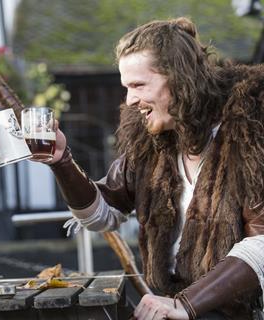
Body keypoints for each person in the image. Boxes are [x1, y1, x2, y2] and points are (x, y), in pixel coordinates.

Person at [42, 18, 264, 319]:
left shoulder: (250, 129)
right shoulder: (148, 142)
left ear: (179, 79)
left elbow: (262, 244)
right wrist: (61, 161)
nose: (130, 99)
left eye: (138, 85)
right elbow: (101, 216)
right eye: (126, 87)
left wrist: (187, 303)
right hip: (172, 308)